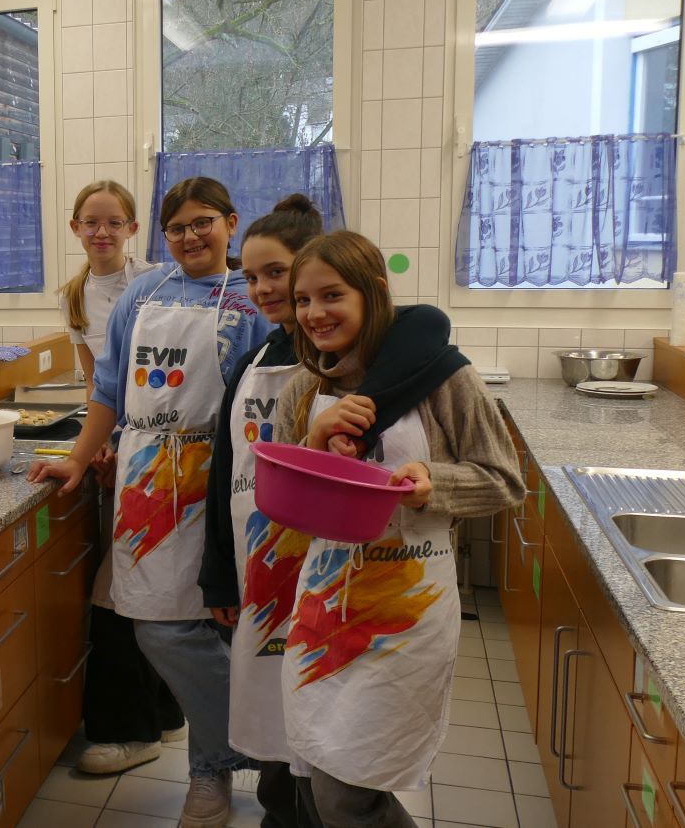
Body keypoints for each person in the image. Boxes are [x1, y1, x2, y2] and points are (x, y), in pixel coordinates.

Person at [199, 196, 455, 828]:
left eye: (280, 275)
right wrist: (221, 574)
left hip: (389, 600)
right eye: (253, 277)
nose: (304, 306)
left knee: (347, 774)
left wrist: (432, 483)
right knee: (295, 744)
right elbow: (234, 476)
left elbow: (498, 477)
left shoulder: (422, 369)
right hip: (287, 579)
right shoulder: (277, 373)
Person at [31, 176, 269, 828]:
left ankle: (210, 772)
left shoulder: (251, 299)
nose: (191, 236)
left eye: (203, 222)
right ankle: (262, 739)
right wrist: (77, 457)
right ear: (163, 236)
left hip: (223, 475)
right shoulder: (145, 293)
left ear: (230, 222)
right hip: (146, 479)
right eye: (178, 227)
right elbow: (108, 389)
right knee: (156, 624)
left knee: (223, 624)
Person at [274, 231, 523, 827]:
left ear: (375, 293)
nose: (314, 313)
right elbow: (284, 506)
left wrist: (434, 481)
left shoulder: (446, 379)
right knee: (315, 765)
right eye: (303, 300)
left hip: (407, 614)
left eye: (332, 295)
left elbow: (505, 480)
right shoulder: (303, 388)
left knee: (349, 792)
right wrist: (313, 440)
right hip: (324, 606)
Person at [57, 180, 185, 774]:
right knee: (141, 581)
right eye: (91, 221)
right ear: (75, 228)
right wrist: (98, 446)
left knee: (133, 587)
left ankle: (142, 724)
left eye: (114, 222)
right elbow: (98, 384)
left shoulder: (158, 282)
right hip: (124, 448)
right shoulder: (74, 296)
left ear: (134, 229)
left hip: (163, 450)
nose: (102, 232)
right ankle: (165, 712)